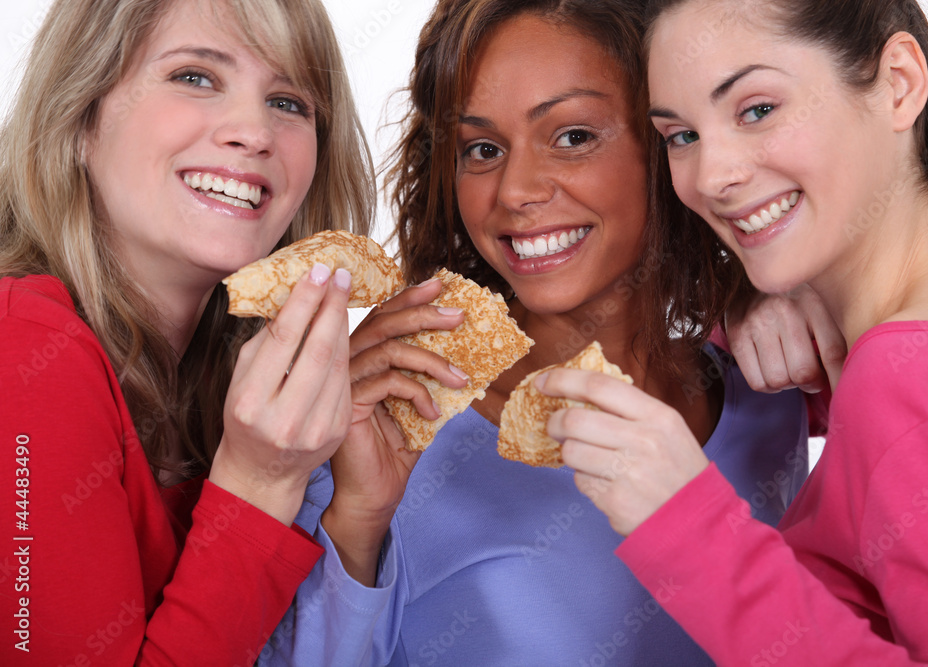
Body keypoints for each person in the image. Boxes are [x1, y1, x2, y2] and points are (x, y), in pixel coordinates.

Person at [259, 0, 826, 664]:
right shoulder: (384, 429)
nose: (516, 189)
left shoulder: (769, 395)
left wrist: (775, 285)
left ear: (671, 140)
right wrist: (357, 521)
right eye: (483, 149)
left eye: (574, 135)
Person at [536, 0, 928, 664]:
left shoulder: (905, 379)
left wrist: (690, 525)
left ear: (898, 82)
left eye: (757, 110)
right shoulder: (925, 340)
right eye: (680, 136)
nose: (713, 176)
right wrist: (755, 301)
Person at [0, 0, 374, 663]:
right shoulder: (25, 348)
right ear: (81, 118)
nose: (253, 131)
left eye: (289, 101)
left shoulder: (236, 389)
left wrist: (360, 505)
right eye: (196, 76)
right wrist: (259, 485)